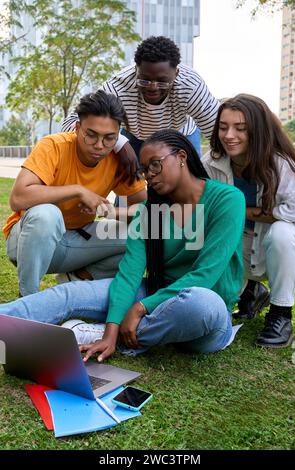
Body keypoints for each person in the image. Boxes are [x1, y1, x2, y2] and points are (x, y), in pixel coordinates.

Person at [0, 129, 245, 362]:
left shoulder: (227, 199)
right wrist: (117, 321)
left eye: (156, 165)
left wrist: (139, 308)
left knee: (202, 302)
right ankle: (6, 321)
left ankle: (105, 336)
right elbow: (128, 274)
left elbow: (205, 274)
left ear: (181, 157)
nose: (150, 175)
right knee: (70, 293)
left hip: (203, 315)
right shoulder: (152, 213)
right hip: (157, 291)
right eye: (145, 170)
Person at [2, 91, 146, 297]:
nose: (99, 145)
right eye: (91, 135)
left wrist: (112, 212)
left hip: (79, 238)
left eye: (109, 138)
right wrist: (77, 191)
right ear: (78, 128)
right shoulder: (53, 146)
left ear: (119, 134)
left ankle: (78, 277)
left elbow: (145, 209)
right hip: (28, 242)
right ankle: (28, 299)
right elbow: (18, 198)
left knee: (143, 235)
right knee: (47, 214)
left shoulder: (119, 159)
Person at [202, 93, 295, 348]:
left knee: (282, 232)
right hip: (238, 246)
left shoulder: (282, 165)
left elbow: (293, 212)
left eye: (240, 128)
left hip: (280, 251)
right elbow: (202, 205)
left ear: (257, 131)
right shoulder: (211, 162)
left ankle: (281, 314)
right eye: (223, 127)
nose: (229, 135)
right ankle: (250, 291)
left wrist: (239, 210)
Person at [62, 36, 220, 158]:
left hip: (181, 133)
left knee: (190, 185)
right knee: (127, 179)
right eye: (144, 79)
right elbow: (70, 123)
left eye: (162, 81)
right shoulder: (117, 88)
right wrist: (120, 144)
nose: (153, 87)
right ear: (135, 69)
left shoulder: (190, 86)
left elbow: (218, 132)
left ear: (176, 74)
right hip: (136, 136)